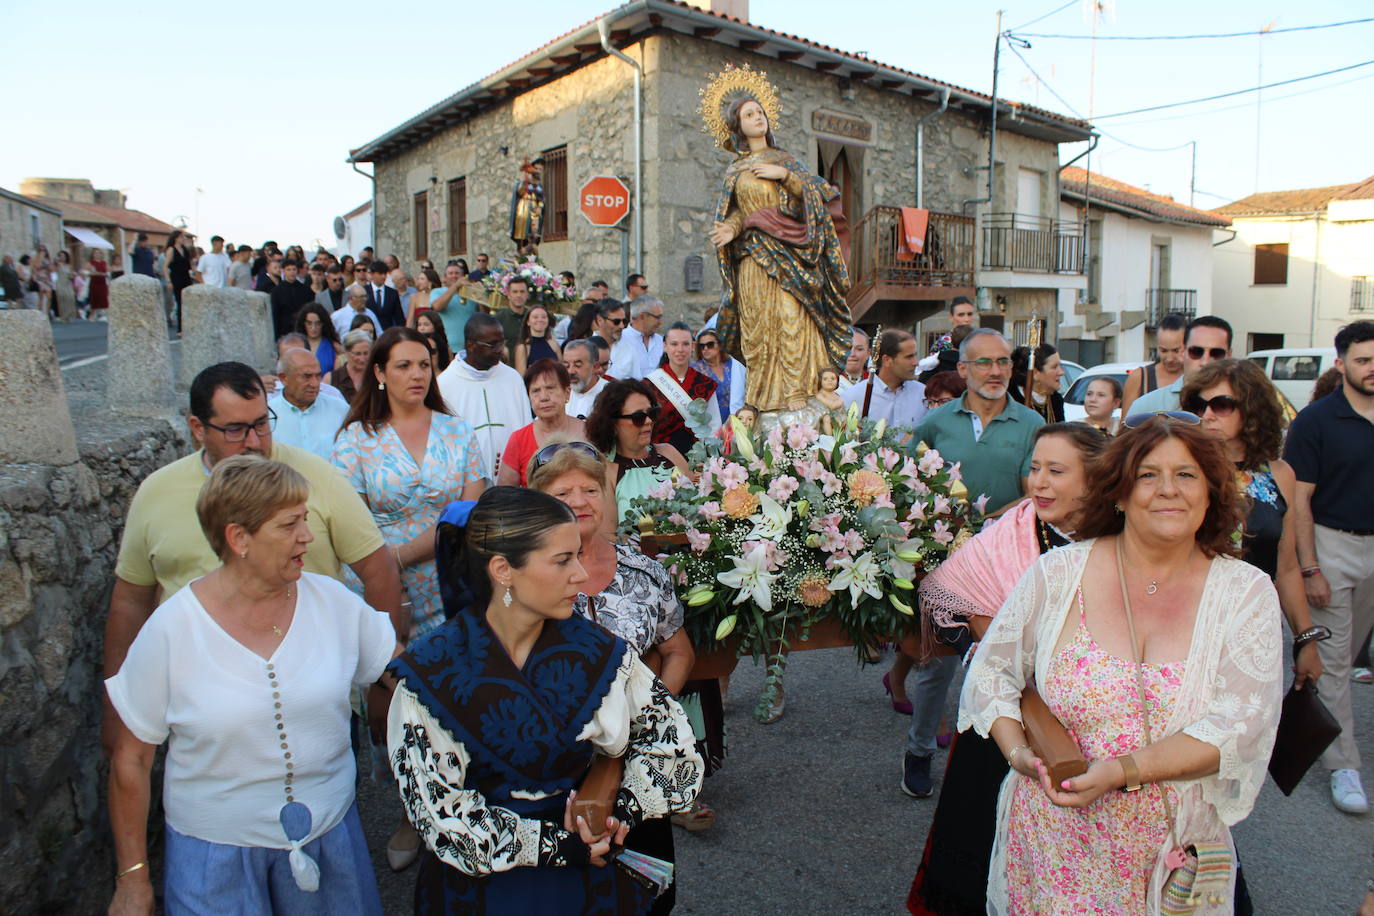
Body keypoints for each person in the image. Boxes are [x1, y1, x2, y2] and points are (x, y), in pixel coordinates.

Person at [959, 415, 1282, 914]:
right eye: (1148, 475)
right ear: (1119, 492)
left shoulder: (1245, 593)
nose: (1169, 490)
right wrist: (1020, 755)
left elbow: (1240, 726)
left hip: (1170, 855)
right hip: (1053, 843)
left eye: (1188, 475)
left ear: (1212, 493)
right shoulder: (1059, 573)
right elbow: (993, 674)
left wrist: (1119, 772)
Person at [385, 486, 703, 913]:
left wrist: (619, 813)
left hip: (585, 876)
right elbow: (439, 814)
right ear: (503, 569)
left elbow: (670, 745)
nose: (580, 574)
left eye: (577, 555)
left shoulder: (602, 653)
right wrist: (555, 845)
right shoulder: (431, 673)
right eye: (562, 560)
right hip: (482, 891)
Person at [104, 456, 397, 916]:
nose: (308, 536)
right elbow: (131, 759)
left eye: (305, 519)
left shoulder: (333, 603)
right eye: (289, 525)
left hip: (330, 840)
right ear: (238, 538)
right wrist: (134, 879)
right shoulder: (173, 630)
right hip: (215, 860)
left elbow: (402, 673)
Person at [102, 363, 405, 764]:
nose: (255, 441)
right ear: (197, 428)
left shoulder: (318, 478)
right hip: (204, 715)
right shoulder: (157, 493)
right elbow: (131, 601)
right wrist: (116, 705)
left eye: (263, 423)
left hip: (313, 700)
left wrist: (381, 686)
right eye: (235, 429)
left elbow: (378, 569)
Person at [903, 424, 1106, 915]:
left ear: (1098, 479)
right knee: (981, 833)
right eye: (1035, 468)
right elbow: (948, 593)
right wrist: (985, 645)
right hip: (1009, 716)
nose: (1039, 483)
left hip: (1095, 720)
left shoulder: (1122, 541)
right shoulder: (1009, 533)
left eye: (1057, 471)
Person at [530, 441, 715, 890]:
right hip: (554, 765)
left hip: (636, 760)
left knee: (645, 887)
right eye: (562, 493)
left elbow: (678, 650)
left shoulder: (642, 570)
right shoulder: (525, 577)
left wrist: (648, 714)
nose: (579, 501)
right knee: (568, 885)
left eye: (590, 489)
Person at [705, 78, 851, 412]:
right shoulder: (735, 171)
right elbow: (737, 212)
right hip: (753, 259)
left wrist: (784, 176)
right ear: (739, 128)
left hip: (790, 254)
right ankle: (762, 400)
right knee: (758, 327)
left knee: (792, 319)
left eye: (760, 112)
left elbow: (820, 196)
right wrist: (730, 228)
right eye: (749, 115)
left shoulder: (785, 161)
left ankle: (798, 393)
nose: (758, 118)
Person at [332, 327, 485, 641]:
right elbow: (351, 522)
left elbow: (469, 514)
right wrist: (388, 570)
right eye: (404, 366)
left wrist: (400, 557)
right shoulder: (356, 438)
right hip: (381, 588)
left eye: (424, 365)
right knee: (389, 681)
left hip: (451, 585)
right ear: (380, 372)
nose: (417, 374)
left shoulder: (459, 432)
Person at [1181, 358, 1323, 689]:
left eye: (1222, 404)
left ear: (1252, 410)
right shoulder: (1182, 470)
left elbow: (1286, 568)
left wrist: (1306, 639)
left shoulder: (1280, 475)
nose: (1208, 415)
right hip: (1189, 625)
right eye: (1199, 405)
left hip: (1256, 628)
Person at [1282, 320, 1374, 814]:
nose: (1372, 368)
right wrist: (1309, 568)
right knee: (1335, 662)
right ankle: (1344, 766)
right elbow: (1299, 502)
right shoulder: (1316, 421)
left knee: (1355, 656)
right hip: (1333, 546)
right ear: (1341, 364)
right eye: (1363, 360)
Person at [910, 329, 1044, 516]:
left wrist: (988, 528)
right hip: (946, 539)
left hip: (1008, 539)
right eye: (984, 363)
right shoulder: (935, 421)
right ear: (962, 369)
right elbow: (908, 483)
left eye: (1003, 362)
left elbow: (1034, 495)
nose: (996, 372)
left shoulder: (1032, 424)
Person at [436, 313, 533, 481]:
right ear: (471, 345)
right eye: (492, 344)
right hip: (466, 485)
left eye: (502, 342)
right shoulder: (445, 384)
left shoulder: (512, 379)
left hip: (511, 484)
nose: (500, 349)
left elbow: (526, 430)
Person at [586, 379, 691, 523]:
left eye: (652, 413)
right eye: (638, 417)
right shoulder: (605, 471)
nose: (648, 421)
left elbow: (699, 502)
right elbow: (608, 536)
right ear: (612, 424)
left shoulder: (669, 452)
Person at [497, 359, 584, 486]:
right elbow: (505, 496)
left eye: (550, 388)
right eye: (536, 391)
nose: (544, 397)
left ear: (567, 393)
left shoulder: (588, 433)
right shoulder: (519, 440)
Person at [1131, 315, 1233, 415]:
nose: (1205, 362)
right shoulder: (1146, 407)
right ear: (1183, 351)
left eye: (1216, 353)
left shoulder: (1242, 405)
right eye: (1196, 352)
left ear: (1229, 355)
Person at [646, 321, 721, 454]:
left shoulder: (705, 384)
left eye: (685, 344)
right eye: (674, 344)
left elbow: (714, 426)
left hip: (695, 458)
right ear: (665, 346)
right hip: (659, 458)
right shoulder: (649, 384)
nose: (680, 349)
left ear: (693, 347)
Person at [268, 348, 349, 461]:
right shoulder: (267, 415)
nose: (315, 383)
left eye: (318, 376)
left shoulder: (340, 409)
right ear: (284, 378)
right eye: (306, 376)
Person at [841, 328, 926, 428]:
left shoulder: (923, 394)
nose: (915, 362)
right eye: (909, 357)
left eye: (915, 355)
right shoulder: (854, 397)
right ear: (887, 360)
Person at [1121, 313, 1188, 416]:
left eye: (1176, 350)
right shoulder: (1139, 378)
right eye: (1163, 351)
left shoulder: (1194, 377)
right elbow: (1126, 426)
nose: (1170, 359)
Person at [691, 327, 746, 422]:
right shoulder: (695, 369)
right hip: (711, 424)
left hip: (738, 421)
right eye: (702, 346)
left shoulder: (734, 364)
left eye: (710, 344)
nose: (705, 348)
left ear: (720, 345)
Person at [1007, 343, 1066, 424]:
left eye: (1060, 366)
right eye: (1054, 367)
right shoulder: (1009, 399)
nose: (1062, 372)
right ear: (1035, 373)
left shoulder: (1056, 400)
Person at [612, 296, 665, 380]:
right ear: (642, 316)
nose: (661, 322)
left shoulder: (661, 341)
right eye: (657, 317)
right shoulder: (620, 340)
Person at [428, 260, 478, 347]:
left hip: (470, 346)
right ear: (445, 277)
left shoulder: (471, 294)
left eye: (457, 273)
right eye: (450, 273)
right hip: (446, 346)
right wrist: (456, 286)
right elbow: (437, 307)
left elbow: (483, 313)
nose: (454, 276)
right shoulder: (437, 292)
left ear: (463, 276)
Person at [564, 339, 609, 419]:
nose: (570, 371)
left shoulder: (611, 394)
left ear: (595, 367)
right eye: (567, 365)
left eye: (577, 365)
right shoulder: (560, 392)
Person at [270, 259, 315, 338]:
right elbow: (275, 314)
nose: (292, 272)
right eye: (289, 270)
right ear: (283, 271)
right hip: (285, 330)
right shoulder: (276, 291)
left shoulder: (305, 290)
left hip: (303, 328)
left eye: (294, 269)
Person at [294, 302, 341, 376]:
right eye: (309, 323)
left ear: (323, 324)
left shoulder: (333, 346)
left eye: (318, 323)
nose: (313, 328)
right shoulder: (297, 345)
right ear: (303, 324)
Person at [514, 305, 562, 375]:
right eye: (535, 317)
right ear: (528, 322)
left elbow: (562, 370)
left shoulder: (554, 344)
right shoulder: (523, 347)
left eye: (544, 317)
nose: (540, 320)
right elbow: (520, 377)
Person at [332, 329, 373, 404]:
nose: (362, 359)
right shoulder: (332, 379)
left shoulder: (377, 376)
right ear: (346, 352)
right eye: (357, 354)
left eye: (366, 353)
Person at [164, 230, 194, 331]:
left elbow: (189, 264)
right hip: (177, 277)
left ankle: (188, 324)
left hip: (186, 277)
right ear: (176, 238)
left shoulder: (185, 250)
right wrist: (168, 280)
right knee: (180, 301)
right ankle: (180, 328)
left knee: (188, 301)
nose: (183, 239)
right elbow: (165, 266)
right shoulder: (171, 250)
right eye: (182, 237)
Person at [494, 276, 531, 355]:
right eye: (515, 292)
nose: (519, 295)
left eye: (522, 291)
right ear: (508, 294)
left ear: (527, 294)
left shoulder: (533, 317)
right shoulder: (498, 318)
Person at [364, 260, 405, 330]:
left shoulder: (392, 293)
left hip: (387, 332)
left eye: (385, 274)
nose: (383, 277)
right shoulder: (364, 291)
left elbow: (399, 317)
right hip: (368, 331)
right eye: (380, 273)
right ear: (372, 274)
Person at [53, 250, 78, 322]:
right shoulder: (57, 265)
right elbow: (53, 270)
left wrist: (72, 275)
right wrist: (57, 263)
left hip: (68, 283)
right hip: (60, 282)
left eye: (63, 256)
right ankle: (63, 316)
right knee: (62, 299)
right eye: (60, 256)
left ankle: (69, 314)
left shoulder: (69, 265)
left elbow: (70, 274)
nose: (62, 257)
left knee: (70, 298)